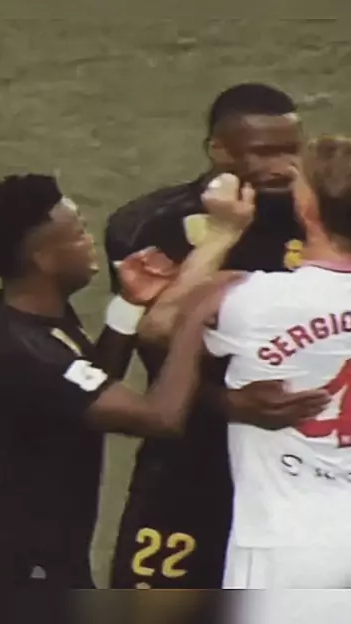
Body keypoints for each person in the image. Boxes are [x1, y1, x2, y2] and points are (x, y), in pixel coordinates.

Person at [0, 172, 260, 588]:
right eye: (77, 234)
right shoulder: (27, 352)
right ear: (43, 258)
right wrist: (192, 319)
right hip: (14, 569)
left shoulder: (27, 316)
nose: (89, 241)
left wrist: (129, 305)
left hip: (40, 556)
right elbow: (160, 417)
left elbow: (89, 384)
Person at [106, 83, 318, 589]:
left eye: (292, 149)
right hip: (192, 465)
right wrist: (226, 402)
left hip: (300, 467)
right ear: (219, 150)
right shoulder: (153, 226)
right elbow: (154, 347)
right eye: (264, 152)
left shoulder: (322, 221)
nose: (284, 166)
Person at [203, 137, 351, 588]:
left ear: (306, 208)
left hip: (285, 545)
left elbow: (159, 326)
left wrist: (222, 233)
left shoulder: (251, 300)